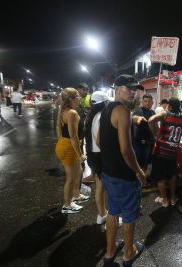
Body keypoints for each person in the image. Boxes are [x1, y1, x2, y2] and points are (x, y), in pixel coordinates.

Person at [99, 74, 146, 266]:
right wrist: (139, 172)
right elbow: (127, 150)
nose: (133, 92)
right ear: (117, 87)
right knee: (128, 216)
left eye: (135, 89)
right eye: (128, 88)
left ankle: (110, 252)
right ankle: (128, 253)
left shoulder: (106, 108)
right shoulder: (122, 111)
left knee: (112, 212)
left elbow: (99, 141)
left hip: (108, 173)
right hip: (124, 176)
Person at [148, 97, 182, 207]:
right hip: (173, 153)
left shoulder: (165, 114)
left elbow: (150, 120)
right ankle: (173, 198)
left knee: (160, 177)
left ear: (169, 106)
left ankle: (165, 200)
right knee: (172, 175)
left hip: (160, 152)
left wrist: (156, 135)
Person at [55, 88, 89, 214]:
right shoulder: (72, 113)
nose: (80, 97)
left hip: (64, 143)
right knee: (70, 177)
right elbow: (73, 135)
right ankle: (67, 205)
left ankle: (76, 194)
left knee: (79, 171)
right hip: (70, 146)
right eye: (78, 95)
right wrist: (79, 154)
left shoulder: (63, 110)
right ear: (73, 98)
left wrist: (61, 140)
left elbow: (58, 126)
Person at [85, 91, 110, 224]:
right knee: (104, 187)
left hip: (92, 154)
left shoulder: (91, 116)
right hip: (101, 156)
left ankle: (102, 214)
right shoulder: (103, 117)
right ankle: (104, 215)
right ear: (104, 103)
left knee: (99, 187)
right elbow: (101, 141)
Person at [132, 94, 155, 172]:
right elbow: (134, 118)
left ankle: (144, 178)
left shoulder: (153, 112)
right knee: (139, 162)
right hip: (139, 142)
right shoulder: (139, 111)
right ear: (142, 102)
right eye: (145, 101)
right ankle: (140, 179)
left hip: (150, 141)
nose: (147, 103)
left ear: (152, 102)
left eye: (149, 101)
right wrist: (137, 119)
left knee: (147, 161)